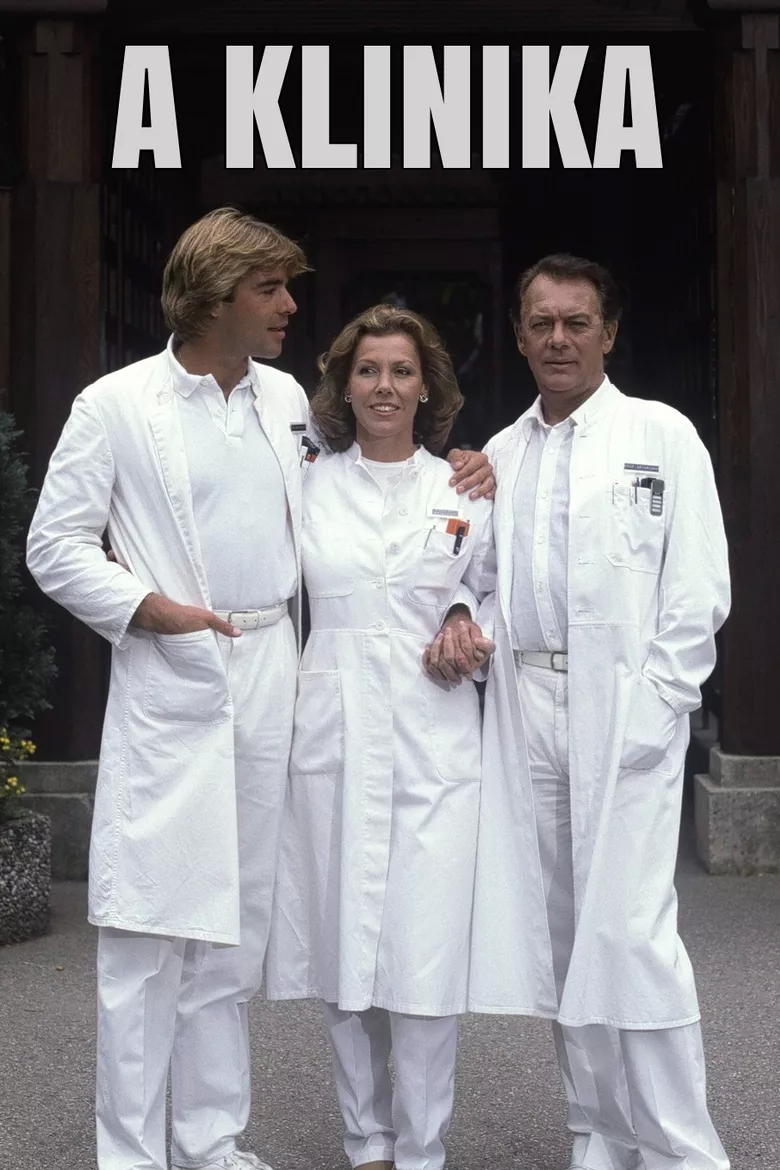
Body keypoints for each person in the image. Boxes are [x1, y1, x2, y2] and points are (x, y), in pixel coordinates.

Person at [25, 207, 492, 1170]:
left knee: (232, 931)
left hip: (276, 668)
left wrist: (466, 470)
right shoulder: (114, 405)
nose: (289, 306)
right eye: (270, 288)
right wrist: (150, 610)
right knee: (146, 930)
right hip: (174, 667)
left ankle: (210, 1141)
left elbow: (382, 480)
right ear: (214, 295)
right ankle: (129, 1155)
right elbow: (54, 546)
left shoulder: (286, 403)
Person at [426, 254, 731, 1170]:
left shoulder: (661, 435)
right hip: (527, 710)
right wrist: (460, 615)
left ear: (609, 332)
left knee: (632, 935)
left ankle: (682, 1151)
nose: (559, 339)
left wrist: (660, 706)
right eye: (542, 323)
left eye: (577, 322)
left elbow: (699, 590)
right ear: (519, 337)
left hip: (626, 708)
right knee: (561, 937)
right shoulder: (501, 454)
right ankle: (600, 1131)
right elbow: (476, 574)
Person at [265, 304, 495, 1170]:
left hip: (433, 730)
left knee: (425, 950)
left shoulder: (466, 487)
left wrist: (465, 614)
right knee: (342, 943)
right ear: (344, 383)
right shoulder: (307, 481)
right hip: (333, 727)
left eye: (402, 370)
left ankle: (423, 1146)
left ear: (427, 385)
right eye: (368, 370)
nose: (385, 386)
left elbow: (495, 584)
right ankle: (367, 1140)